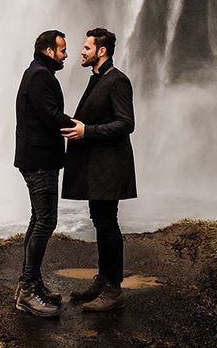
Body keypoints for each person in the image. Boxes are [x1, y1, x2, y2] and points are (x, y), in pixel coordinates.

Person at [61, 27, 136, 312]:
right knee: (100, 220)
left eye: (87, 48)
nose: (82, 51)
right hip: (98, 167)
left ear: (101, 51)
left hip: (110, 167)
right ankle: (103, 279)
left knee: (107, 223)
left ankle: (113, 288)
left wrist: (87, 131)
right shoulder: (98, 78)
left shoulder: (117, 81)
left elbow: (126, 123)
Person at [14, 29, 74, 318]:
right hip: (40, 161)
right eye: (62, 49)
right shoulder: (40, 75)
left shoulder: (37, 72)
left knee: (38, 219)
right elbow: (50, 116)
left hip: (37, 159)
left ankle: (31, 282)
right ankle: (27, 291)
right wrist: (79, 127)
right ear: (49, 50)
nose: (66, 55)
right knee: (46, 221)